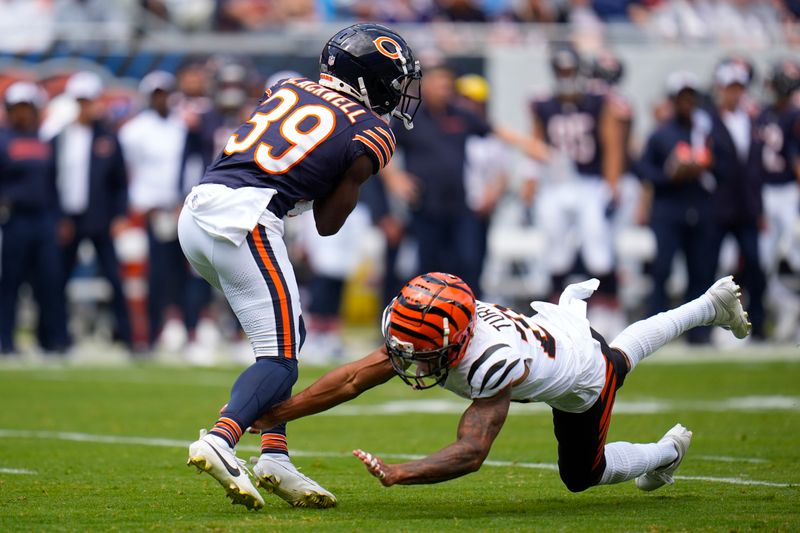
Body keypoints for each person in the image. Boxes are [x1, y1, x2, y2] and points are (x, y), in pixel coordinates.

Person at [178, 23, 422, 510]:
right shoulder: (373, 131)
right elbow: (331, 223)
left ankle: (276, 456)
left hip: (197, 211)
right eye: (396, 80)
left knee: (283, 341)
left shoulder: (286, 86)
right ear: (372, 78)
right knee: (281, 357)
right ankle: (223, 439)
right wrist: (350, 171)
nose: (399, 92)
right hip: (245, 219)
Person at [250, 271, 750, 494]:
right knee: (626, 351)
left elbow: (472, 452)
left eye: (421, 352)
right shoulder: (443, 326)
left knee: (583, 474)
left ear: (454, 342)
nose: (406, 360)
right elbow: (354, 378)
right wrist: (276, 413)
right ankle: (708, 305)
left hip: (581, 375)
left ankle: (666, 455)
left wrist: (401, 472)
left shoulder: (490, 363)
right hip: (553, 330)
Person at [528, 44, 624, 335]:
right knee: (555, 246)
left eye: (570, 69)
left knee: (597, 245)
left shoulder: (596, 101)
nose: (566, 75)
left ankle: (607, 306)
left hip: (590, 182)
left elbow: (611, 143)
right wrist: (529, 182)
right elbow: (537, 143)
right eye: (561, 70)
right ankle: (556, 308)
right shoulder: (543, 104)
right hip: (556, 184)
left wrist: (612, 181)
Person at [55, 71, 132, 350]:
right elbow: (54, 179)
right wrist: (58, 217)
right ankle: (57, 338)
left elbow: (120, 182)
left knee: (114, 277)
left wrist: (120, 214)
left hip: (100, 219)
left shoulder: (108, 138)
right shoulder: (61, 136)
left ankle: (126, 337)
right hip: (69, 219)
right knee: (57, 278)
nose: (86, 106)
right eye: (82, 101)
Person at [637, 71, 716, 344]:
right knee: (663, 269)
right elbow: (643, 168)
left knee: (700, 271)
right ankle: (654, 331)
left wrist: (703, 166)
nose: (686, 103)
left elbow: (722, 166)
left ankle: (699, 331)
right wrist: (670, 175)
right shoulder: (661, 134)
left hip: (699, 207)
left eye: (690, 98)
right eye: (681, 98)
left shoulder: (704, 130)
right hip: (669, 209)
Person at [0, 81, 69, 355]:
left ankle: (53, 340)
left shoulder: (44, 141)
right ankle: (5, 340)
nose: (23, 114)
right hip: (14, 219)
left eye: (28, 108)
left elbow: (53, 183)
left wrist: (59, 217)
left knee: (49, 280)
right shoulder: (3, 139)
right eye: (18, 108)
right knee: (10, 282)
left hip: (44, 218)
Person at [707, 61, 767, 340]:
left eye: (738, 88)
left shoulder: (752, 121)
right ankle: (703, 331)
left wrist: (759, 207)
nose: (734, 94)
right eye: (730, 88)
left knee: (755, 265)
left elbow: (754, 169)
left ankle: (759, 325)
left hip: (746, 206)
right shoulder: (707, 121)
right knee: (708, 267)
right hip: (718, 207)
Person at [754, 59, 800, 341]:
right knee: (762, 260)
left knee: (794, 258)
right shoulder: (763, 115)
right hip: (766, 191)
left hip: (788, 192)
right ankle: (786, 308)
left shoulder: (793, 116)